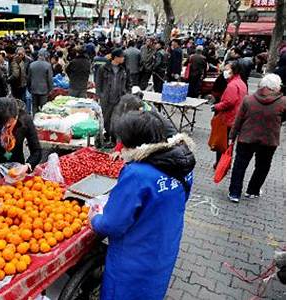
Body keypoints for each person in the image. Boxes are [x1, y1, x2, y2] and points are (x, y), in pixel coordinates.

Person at [90, 110, 195, 300]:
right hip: (164, 249)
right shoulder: (182, 166)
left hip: (133, 259)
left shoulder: (138, 174)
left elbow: (112, 224)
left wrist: (94, 218)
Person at [227, 74, 286, 203]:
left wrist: (232, 136)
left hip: (246, 138)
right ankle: (252, 190)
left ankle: (234, 193)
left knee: (239, 166)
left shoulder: (248, 100)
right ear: (275, 87)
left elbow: (238, 120)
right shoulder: (283, 102)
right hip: (268, 141)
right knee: (262, 167)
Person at [211, 61, 247, 166]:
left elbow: (229, 102)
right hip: (236, 117)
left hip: (228, 118)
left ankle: (221, 164)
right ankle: (225, 163)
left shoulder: (232, 85)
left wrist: (216, 106)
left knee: (222, 143)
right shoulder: (241, 83)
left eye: (227, 69)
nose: (225, 71)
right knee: (229, 143)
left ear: (233, 71)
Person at [96, 48, 132, 147]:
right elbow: (98, 83)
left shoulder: (124, 69)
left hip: (120, 98)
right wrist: (100, 95)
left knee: (118, 119)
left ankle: (116, 139)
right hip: (107, 99)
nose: (123, 58)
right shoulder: (103, 68)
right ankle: (107, 137)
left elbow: (129, 83)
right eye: (122, 57)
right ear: (116, 57)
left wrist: (127, 94)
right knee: (106, 119)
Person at [27, 49, 53, 115]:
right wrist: (50, 89)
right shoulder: (48, 65)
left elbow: (29, 78)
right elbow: (50, 79)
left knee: (34, 106)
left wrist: (29, 87)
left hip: (34, 88)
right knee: (43, 107)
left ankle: (34, 120)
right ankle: (41, 122)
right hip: (44, 89)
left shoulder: (32, 65)